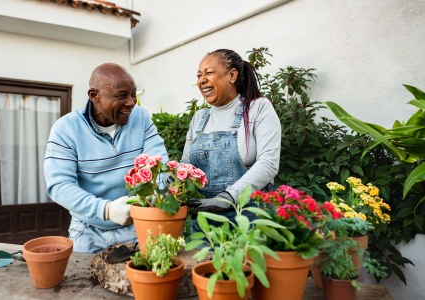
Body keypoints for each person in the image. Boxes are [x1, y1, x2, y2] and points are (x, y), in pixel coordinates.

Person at [44, 63, 168, 253]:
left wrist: (154, 196)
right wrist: (106, 210)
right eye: (121, 96)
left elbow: (160, 165)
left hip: (136, 226)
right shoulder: (66, 129)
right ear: (95, 95)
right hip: (87, 232)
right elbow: (59, 185)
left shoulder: (141, 118)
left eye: (133, 94)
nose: (131, 102)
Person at [183, 49, 281, 229]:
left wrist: (228, 197)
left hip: (251, 215)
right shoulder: (199, 118)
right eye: (199, 75)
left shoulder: (257, 108)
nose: (202, 80)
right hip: (205, 220)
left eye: (209, 73)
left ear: (232, 75)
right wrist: (165, 178)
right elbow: (186, 165)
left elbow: (269, 163)